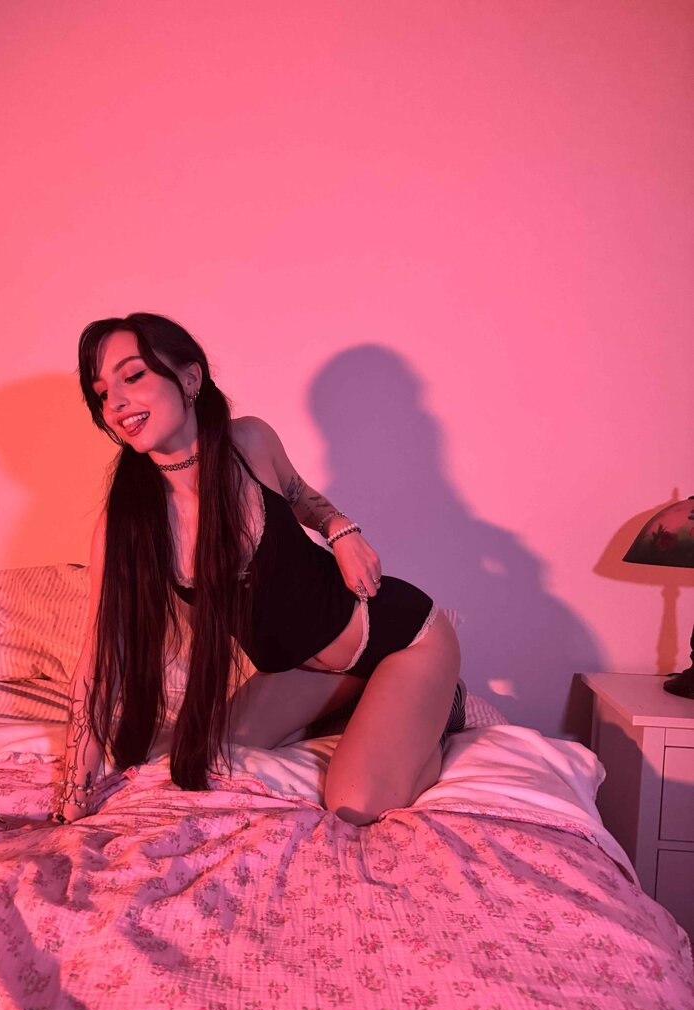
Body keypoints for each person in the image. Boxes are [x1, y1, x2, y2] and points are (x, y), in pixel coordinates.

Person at [52, 312, 464, 828]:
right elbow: (99, 656)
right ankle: (366, 700)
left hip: (401, 638)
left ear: (190, 378)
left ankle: (439, 711)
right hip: (303, 670)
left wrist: (341, 530)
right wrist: (74, 792)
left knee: (353, 803)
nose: (115, 402)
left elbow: (300, 495)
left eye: (132, 376)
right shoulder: (128, 522)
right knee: (186, 758)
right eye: (101, 393)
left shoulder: (250, 443)